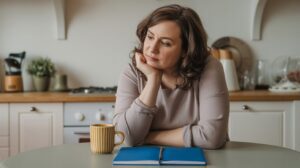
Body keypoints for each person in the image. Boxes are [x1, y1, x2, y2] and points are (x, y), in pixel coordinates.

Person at [113, 4, 229, 149]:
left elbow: (212, 137)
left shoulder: (209, 68)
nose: (152, 48)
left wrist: (149, 137)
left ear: (185, 50)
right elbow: (125, 136)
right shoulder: (132, 71)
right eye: (150, 37)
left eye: (166, 43)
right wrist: (153, 80)